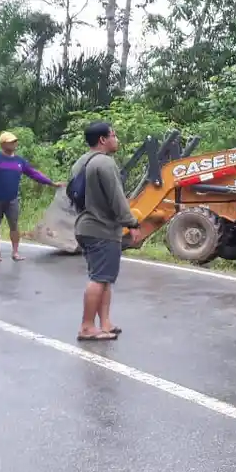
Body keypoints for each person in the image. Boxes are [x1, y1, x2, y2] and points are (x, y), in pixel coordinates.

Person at [72, 122, 143, 341]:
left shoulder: (81, 162)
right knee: (99, 278)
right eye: (114, 135)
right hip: (101, 229)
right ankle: (86, 327)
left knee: (104, 278)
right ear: (103, 140)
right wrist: (132, 223)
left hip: (86, 225)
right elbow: (117, 199)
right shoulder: (105, 163)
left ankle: (104, 323)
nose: (116, 139)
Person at [0, 131, 63, 262]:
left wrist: (51, 183)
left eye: (15, 141)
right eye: (10, 142)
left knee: (14, 225)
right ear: (3, 144)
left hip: (12, 199)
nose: (14, 144)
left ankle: (15, 252)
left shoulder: (19, 161)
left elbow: (33, 173)